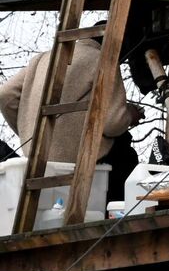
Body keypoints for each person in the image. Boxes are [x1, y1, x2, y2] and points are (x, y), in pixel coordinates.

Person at [0, 31, 140, 191]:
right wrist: (130, 114)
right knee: (128, 161)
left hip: (38, 159)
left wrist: (32, 132)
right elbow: (113, 123)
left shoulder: (42, 59)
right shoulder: (103, 59)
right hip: (81, 162)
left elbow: (5, 96)